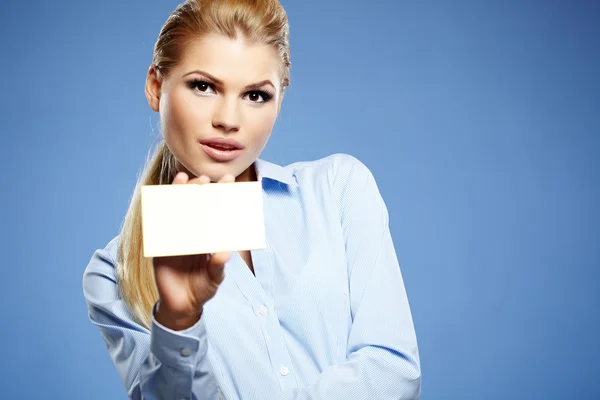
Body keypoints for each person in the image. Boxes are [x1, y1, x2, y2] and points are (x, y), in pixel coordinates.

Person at [82, 0, 421, 399]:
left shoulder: (338, 189)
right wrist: (178, 320)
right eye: (203, 86)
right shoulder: (114, 273)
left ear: (280, 99)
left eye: (256, 95)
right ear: (156, 87)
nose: (228, 118)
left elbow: (394, 369)